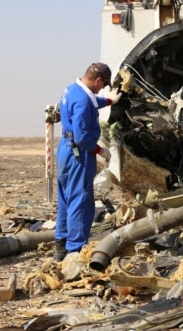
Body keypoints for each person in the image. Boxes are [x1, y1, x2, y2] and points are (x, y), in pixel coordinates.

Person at [54, 63, 122, 261]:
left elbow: (91, 101)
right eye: (103, 86)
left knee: (66, 198)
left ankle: (61, 246)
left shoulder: (71, 89)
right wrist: (101, 151)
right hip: (79, 152)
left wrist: (109, 101)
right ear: (98, 80)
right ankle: (75, 250)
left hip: (65, 149)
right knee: (80, 201)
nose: (102, 89)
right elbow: (82, 136)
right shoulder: (83, 100)